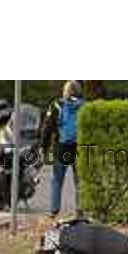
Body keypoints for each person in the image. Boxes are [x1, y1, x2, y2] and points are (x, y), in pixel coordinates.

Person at [40, 80, 85, 217]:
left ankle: (54, 211)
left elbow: (47, 128)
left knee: (57, 180)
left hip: (61, 148)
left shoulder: (57, 105)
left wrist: (44, 148)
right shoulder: (85, 106)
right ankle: (80, 211)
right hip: (80, 148)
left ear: (65, 91)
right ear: (79, 91)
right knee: (79, 181)